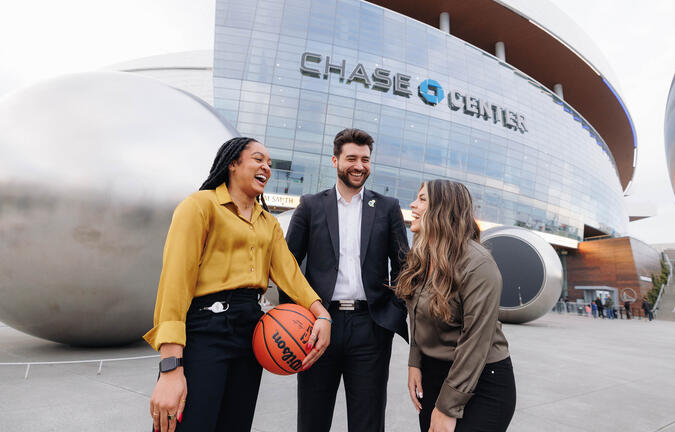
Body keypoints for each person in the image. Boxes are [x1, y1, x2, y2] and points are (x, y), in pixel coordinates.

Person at [144, 137, 332, 432]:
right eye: (258, 159)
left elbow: (290, 274)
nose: (266, 168)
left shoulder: (268, 223)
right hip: (204, 328)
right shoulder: (199, 206)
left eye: (269, 164)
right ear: (232, 163)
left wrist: (322, 313)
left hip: (250, 332)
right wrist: (170, 367)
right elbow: (175, 283)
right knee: (190, 424)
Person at [279, 128, 409, 432]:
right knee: (312, 417)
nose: (359, 165)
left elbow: (404, 267)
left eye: (365, 159)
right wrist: (294, 316)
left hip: (371, 328)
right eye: (352, 158)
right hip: (318, 326)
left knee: (368, 421)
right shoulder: (310, 206)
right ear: (335, 160)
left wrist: (392, 316)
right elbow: (287, 265)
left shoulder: (387, 207)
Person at [398, 180, 516, 432]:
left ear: (443, 208)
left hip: (482, 380)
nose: (412, 204)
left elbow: (475, 342)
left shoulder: (478, 264)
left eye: (422, 199)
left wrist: (447, 408)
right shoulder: (421, 257)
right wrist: (415, 362)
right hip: (434, 374)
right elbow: (416, 317)